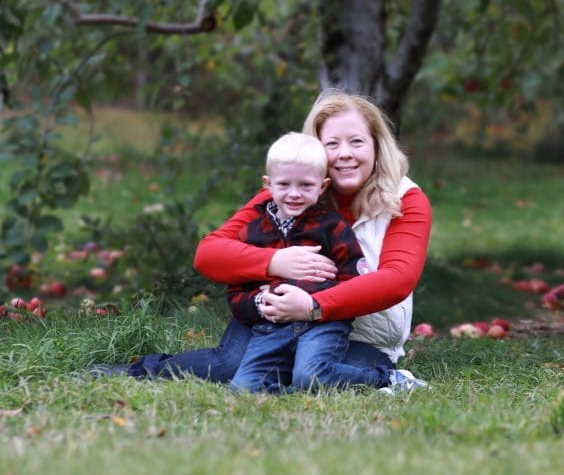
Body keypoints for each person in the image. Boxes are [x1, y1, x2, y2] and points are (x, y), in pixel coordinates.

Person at [98, 91, 431, 389]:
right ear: (315, 149)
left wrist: (313, 307)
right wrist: (275, 262)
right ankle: (133, 371)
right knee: (229, 366)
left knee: (313, 373)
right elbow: (209, 253)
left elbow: (396, 281)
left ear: (376, 145)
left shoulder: (405, 199)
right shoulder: (293, 190)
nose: (344, 154)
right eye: (332, 144)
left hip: (357, 335)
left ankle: (383, 376)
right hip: (278, 318)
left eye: (357, 142)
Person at [227, 131, 419, 393]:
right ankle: (291, 394)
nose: (294, 194)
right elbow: (237, 291)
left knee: (310, 375)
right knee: (242, 389)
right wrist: (260, 303)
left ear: (322, 186)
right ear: (268, 185)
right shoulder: (251, 232)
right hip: (272, 326)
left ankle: (386, 379)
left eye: (306, 186)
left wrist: (312, 300)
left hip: (322, 326)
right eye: (284, 185)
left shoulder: (333, 228)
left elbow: (354, 282)